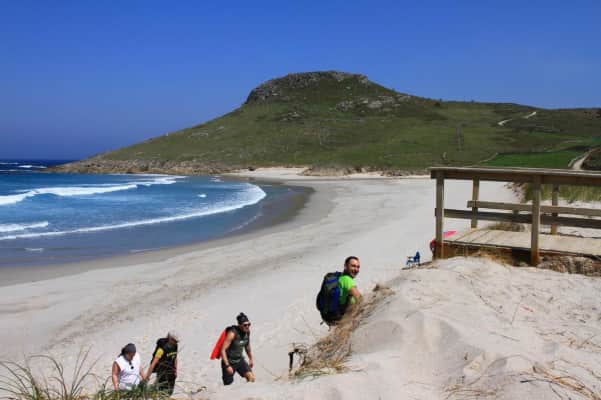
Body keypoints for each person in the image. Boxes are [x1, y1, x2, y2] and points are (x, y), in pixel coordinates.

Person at [316, 256, 362, 324]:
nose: (356, 269)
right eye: (353, 266)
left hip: (327, 316)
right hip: (340, 318)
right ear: (345, 266)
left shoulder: (339, 276)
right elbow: (360, 299)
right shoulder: (347, 280)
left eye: (358, 267)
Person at [220, 313, 255, 385]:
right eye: (245, 325)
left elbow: (247, 346)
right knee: (228, 386)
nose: (247, 326)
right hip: (229, 362)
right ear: (239, 325)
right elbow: (222, 350)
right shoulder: (232, 334)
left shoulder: (247, 332)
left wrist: (250, 359)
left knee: (251, 378)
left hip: (239, 360)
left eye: (249, 324)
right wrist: (227, 366)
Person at [146, 331, 179, 396]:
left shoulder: (175, 346)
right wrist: (148, 376)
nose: (176, 343)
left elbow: (175, 358)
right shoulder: (161, 349)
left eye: (177, 341)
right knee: (162, 393)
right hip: (162, 374)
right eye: (175, 341)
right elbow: (153, 363)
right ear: (170, 339)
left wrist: (175, 370)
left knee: (169, 392)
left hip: (171, 373)